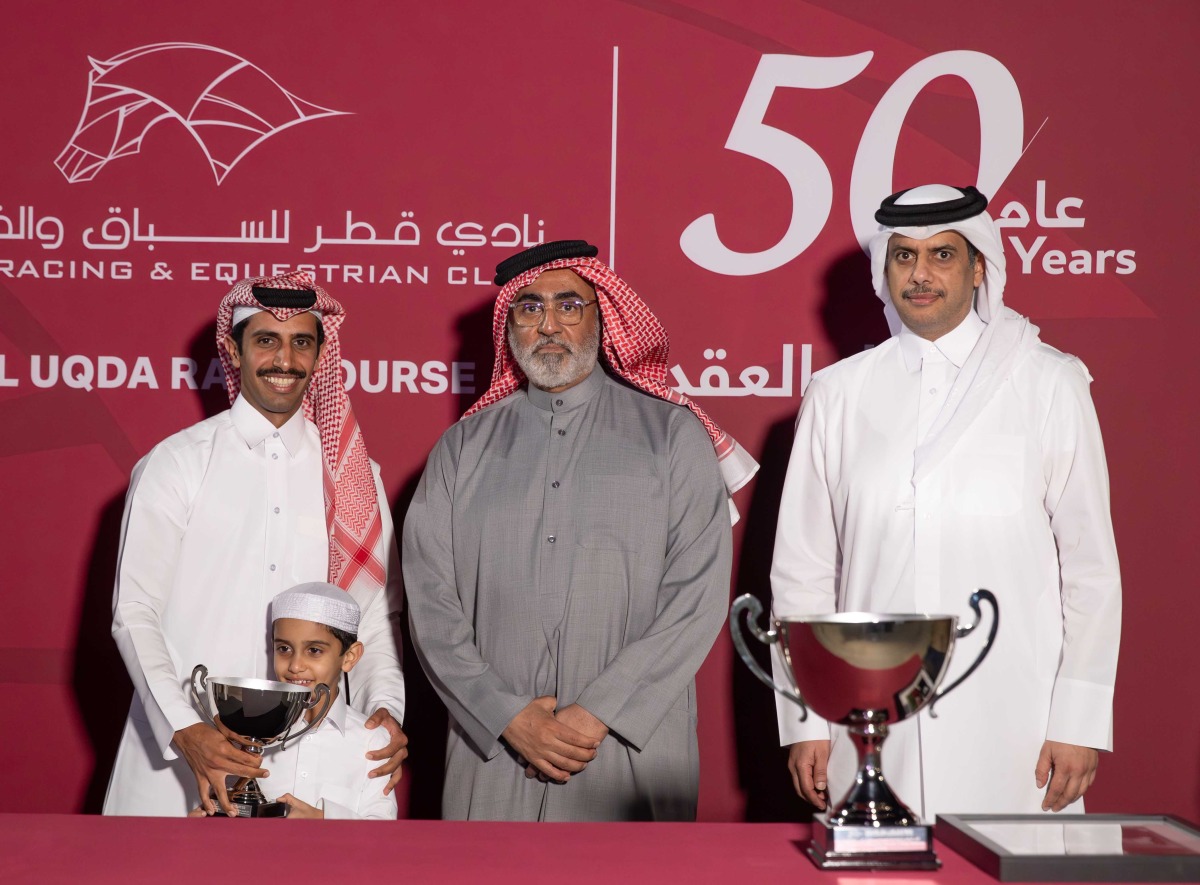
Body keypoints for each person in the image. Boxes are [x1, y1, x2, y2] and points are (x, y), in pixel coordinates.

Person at [770, 185, 1121, 819]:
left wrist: (1080, 715)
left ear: (979, 265)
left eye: (942, 256)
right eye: (904, 257)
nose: (921, 275)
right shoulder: (838, 394)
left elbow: (1090, 570)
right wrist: (806, 721)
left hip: (1018, 719)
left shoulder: (1049, 382)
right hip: (871, 718)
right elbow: (803, 573)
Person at [403, 240, 756, 821]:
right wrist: (505, 714)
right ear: (508, 325)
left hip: (626, 746)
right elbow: (429, 600)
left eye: (569, 306)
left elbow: (696, 597)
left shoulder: (672, 436)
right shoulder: (462, 447)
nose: (549, 325)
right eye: (529, 308)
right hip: (494, 751)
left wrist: (597, 712)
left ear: (602, 317)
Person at [104, 271, 408, 817]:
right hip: (179, 760)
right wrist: (185, 729)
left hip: (307, 769)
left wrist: (382, 707)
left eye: (302, 342)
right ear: (233, 349)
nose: (284, 359)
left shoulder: (353, 475)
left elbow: (374, 618)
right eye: (266, 339)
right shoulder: (177, 463)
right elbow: (135, 610)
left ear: (320, 355)